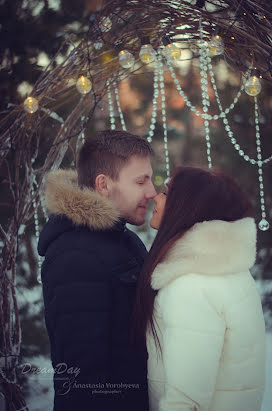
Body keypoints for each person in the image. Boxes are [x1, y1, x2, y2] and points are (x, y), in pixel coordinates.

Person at [38, 130, 156, 411]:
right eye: (141, 181)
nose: (152, 192)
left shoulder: (124, 239)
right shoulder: (74, 255)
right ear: (103, 184)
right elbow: (83, 380)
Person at [134, 166, 266, 411]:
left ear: (185, 208)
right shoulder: (228, 271)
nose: (155, 197)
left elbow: (186, 401)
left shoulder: (192, 285)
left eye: (165, 193)